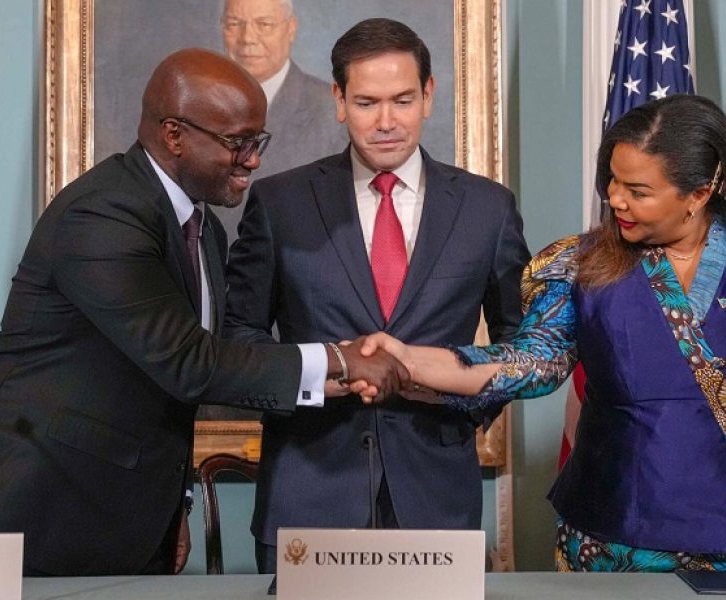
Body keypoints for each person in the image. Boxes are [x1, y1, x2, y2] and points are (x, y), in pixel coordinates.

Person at [0, 48, 407, 577]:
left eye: (258, 141)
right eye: (238, 143)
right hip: (28, 508)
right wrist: (341, 360)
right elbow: (188, 362)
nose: (253, 160)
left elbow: (179, 384)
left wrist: (173, 503)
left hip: (124, 515)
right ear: (174, 135)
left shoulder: (205, 230)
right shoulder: (103, 213)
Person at [359, 94, 726, 572]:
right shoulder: (577, 263)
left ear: (700, 192)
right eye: (611, 180)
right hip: (615, 539)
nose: (615, 199)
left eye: (638, 191)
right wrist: (409, 360)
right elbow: (532, 362)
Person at [222, 18, 530, 574]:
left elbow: (522, 347)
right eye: (366, 102)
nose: (386, 122)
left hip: (438, 499)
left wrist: (453, 399)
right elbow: (238, 338)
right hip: (306, 494)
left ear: (428, 95)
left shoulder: (489, 208)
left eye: (403, 100)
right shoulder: (279, 203)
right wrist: (328, 373)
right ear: (339, 100)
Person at [215, 0, 348, 243]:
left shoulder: (332, 110)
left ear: (291, 28)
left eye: (264, 24)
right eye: (235, 23)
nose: (247, 38)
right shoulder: (201, 102)